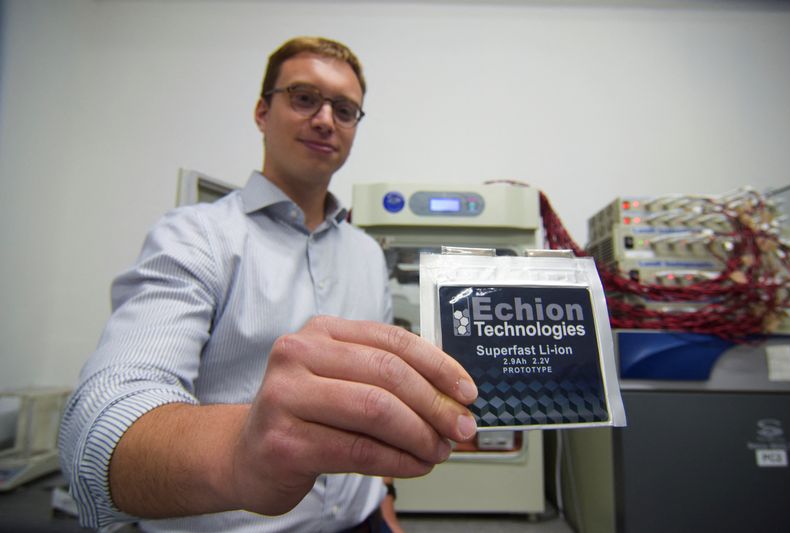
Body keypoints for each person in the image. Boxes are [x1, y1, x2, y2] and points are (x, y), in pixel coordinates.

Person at [58, 36, 479, 533]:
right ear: (262, 111)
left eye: (345, 110)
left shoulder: (366, 253)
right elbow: (98, 430)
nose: (325, 119)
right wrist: (242, 453)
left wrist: (384, 500)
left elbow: (375, 404)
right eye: (304, 98)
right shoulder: (195, 237)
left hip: (365, 522)